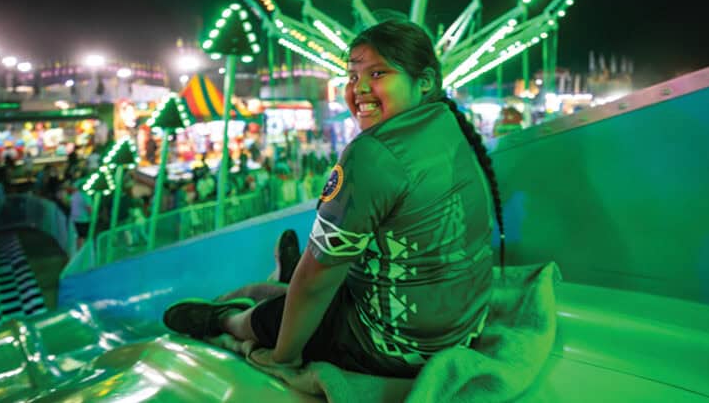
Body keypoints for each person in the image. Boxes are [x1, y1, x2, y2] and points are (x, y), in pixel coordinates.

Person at [163, 19, 504, 378]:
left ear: (425, 82)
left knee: (277, 315)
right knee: (313, 279)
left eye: (378, 74)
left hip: (399, 346)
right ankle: (288, 277)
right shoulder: (447, 120)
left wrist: (285, 358)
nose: (360, 89)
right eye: (354, 77)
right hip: (462, 325)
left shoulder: (372, 154)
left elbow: (318, 279)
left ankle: (227, 319)